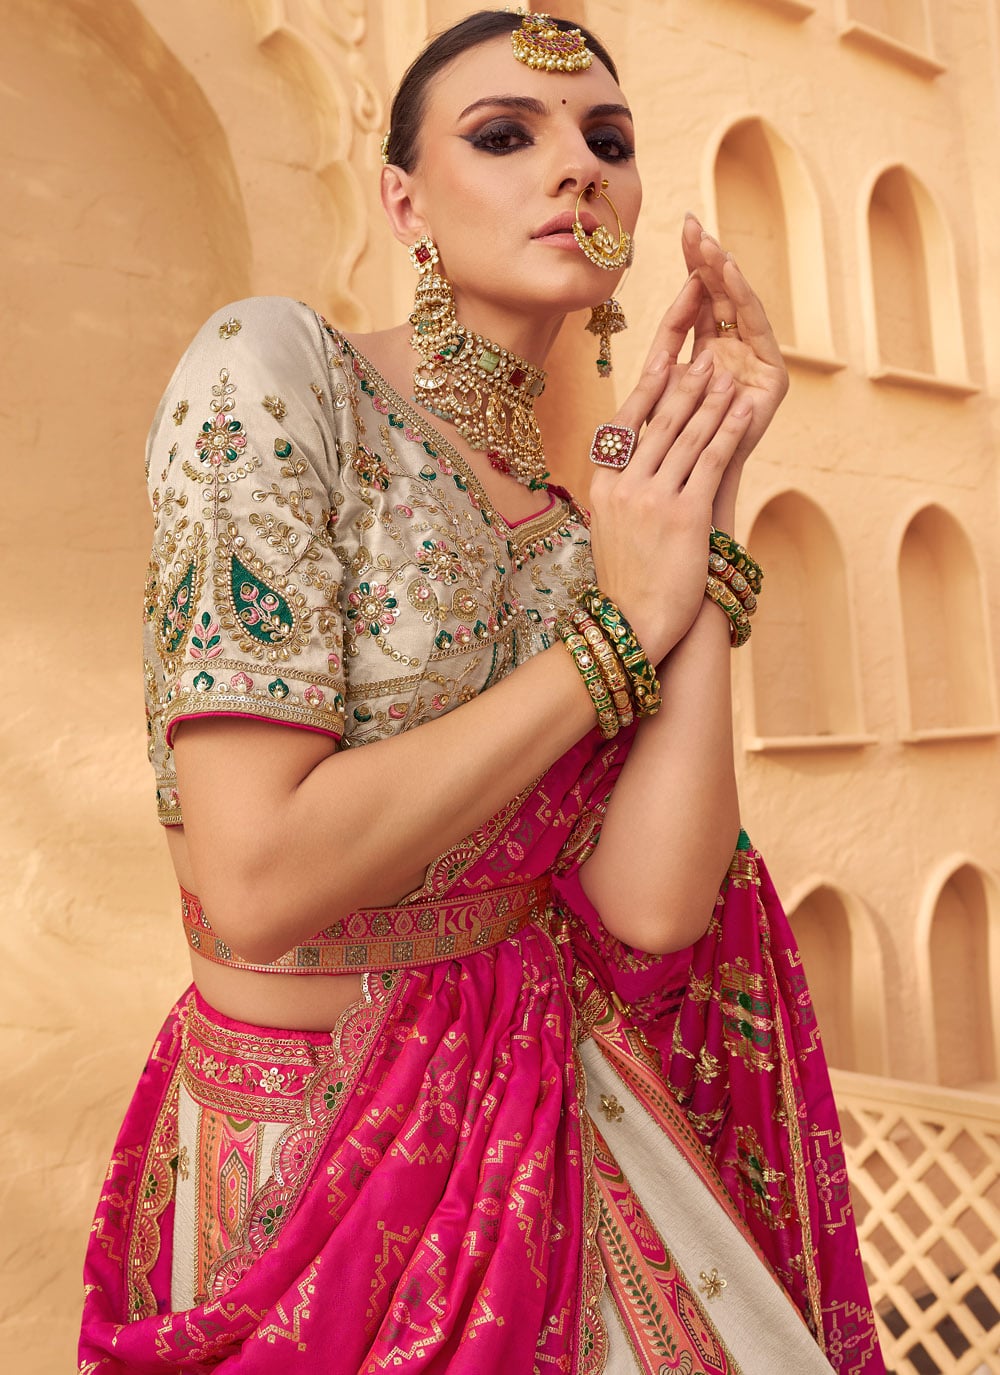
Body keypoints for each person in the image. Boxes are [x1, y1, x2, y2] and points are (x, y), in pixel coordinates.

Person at [79, 11, 885, 1373]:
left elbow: (652, 908)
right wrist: (615, 637)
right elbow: (257, 881)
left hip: (551, 1122)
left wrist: (698, 510)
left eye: (609, 142)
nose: (577, 168)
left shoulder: (582, 529)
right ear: (403, 201)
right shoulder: (278, 374)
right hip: (304, 1177)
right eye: (506, 135)